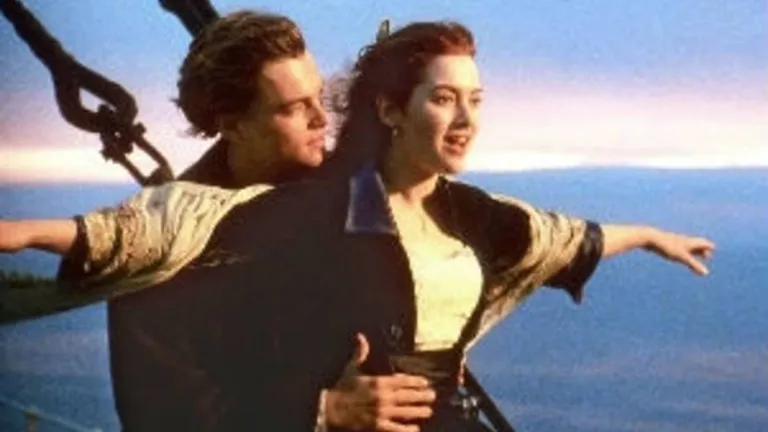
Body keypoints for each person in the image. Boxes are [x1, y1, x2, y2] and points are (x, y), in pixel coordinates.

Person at [1, 19, 714, 432]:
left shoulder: (354, 195)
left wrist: (645, 234)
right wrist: (322, 411)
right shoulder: (166, 260)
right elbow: (165, 417)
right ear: (231, 123)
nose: (323, 119)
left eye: (321, 97)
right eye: (294, 108)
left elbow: (527, 232)